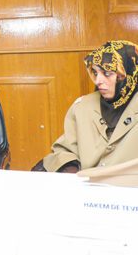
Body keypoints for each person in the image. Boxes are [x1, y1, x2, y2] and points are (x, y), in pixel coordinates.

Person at [43, 40, 138, 172]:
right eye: (95, 72)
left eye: (107, 73)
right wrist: (69, 167)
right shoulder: (82, 106)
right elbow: (64, 149)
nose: (98, 81)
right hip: (86, 182)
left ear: (128, 74)